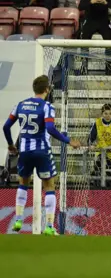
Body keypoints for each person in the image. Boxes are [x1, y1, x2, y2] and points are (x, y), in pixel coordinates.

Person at [2, 75, 81, 235]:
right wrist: (68, 141)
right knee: (49, 186)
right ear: (47, 89)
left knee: (23, 183)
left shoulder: (20, 105)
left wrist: (11, 145)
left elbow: (6, 126)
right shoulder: (47, 106)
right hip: (42, 151)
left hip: (24, 152)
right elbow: (51, 129)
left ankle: (18, 219)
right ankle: (50, 226)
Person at [88, 103, 111, 185]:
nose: (108, 115)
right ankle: (95, 184)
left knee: (110, 173)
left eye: (110, 113)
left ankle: (107, 188)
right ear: (102, 114)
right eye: (105, 113)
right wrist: (90, 144)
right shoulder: (97, 123)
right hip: (101, 150)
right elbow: (91, 136)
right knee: (99, 166)